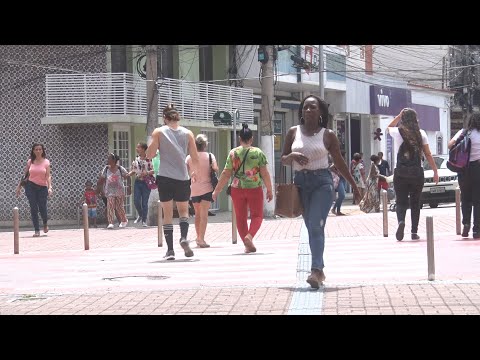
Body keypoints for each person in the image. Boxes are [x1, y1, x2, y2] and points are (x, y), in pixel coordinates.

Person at [280, 94, 360, 289]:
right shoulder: (293, 132)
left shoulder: (328, 135)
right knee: (312, 227)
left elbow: (339, 162)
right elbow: (283, 159)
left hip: (322, 184)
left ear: (321, 112)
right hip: (300, 184)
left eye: (313, 107)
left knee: (315, 224)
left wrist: (355, 187)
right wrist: (291, 155)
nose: (308, 110)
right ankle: (320, 271)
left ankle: (315, 270)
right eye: (305, 107)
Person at [146, 103, 199, 260]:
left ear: (164, 118)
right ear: (177, 116)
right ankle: (183, 238)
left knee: (167, 214)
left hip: (165, 177)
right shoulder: (188, 133)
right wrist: (194, 172)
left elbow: (150, 154)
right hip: (182, 177)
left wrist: (152, 144)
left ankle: (170, 251)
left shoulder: (159, 132)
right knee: (184, 211)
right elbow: (195, 157)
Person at [212, 123, 273, 254]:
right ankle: (249, 237)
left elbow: (226, 173)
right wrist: (269, 189)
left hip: (237, 189)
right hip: (254, 188)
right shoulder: (258, 153)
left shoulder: (233, 153)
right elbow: (265, 173)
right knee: (257, 216)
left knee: (240, 217)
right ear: (251, 139)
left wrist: (217, 190)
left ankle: (247, 245)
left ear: (240, 139)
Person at [387, 108, 438, 241]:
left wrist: (398, 115)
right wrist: (435, 170)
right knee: (415, 202)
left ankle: (401, 222)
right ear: (416, 119)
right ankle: (414, 232)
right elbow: (427, 154)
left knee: (401, 201)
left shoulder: (397, 132)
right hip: (417, 172)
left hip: (400, 172)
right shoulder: (421, 133)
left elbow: (389, 127)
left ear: (403, 119)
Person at [448, 113, 480, 238]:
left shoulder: (464, 132)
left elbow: (450, 145)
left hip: (463, 169)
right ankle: (476, 229)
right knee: (478, 200)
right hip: (477, 168)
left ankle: (465, 223)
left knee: (465, 198)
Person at [186, 134, 218, 248]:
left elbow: (186, 172)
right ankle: (201, 239)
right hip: (207, 188)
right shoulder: (210, 156)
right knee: (204, 214)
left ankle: (198, 237)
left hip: (194, 189)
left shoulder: (189, 158)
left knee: (197, 214)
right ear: (205, 145)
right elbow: (215, 168)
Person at [15, 143, 53, 237]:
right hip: (30, 186)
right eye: (36, 149)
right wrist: (19, 187)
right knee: (33, 208)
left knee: (42, 208)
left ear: (43, 150)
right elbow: (25, 176)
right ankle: (36, 230)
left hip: (42, 188)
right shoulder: (30, 162)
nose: (38, 151)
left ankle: (45, 223)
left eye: (40, 149)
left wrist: (50, 187)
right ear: (33, 151)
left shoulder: (46, 162)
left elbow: (48, 176)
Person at [98, 153, 131, 229]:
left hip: (119, 191)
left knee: (119, 207)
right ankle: (111, 223)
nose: (107, 160)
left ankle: (124, 220)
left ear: (113, 160)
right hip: (109, 191)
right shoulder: (106, 168)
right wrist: (101, 190)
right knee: (110, 206)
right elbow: (102, 178)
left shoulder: (120, 168)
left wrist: (129, 186)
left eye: (109, 158)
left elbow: (127, 176)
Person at [128, 142, 154, 227]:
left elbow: (153, 170)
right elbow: (134, 170)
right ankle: (140, 214)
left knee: (144, 202)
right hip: (138, 182)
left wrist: (146, 173)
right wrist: (128, 174)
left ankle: (144, 221)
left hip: (146, 182)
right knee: (136, 201)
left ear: (143, 149)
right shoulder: (136, 159)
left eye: (138, 147)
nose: (137, 149)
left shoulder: (149, 159)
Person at [330, 151, 347, 216]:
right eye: (343, 156)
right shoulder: (338, 160)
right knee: (342, 195)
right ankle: (336, 209)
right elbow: (331, 167)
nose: (344, 157)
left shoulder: (341, 161)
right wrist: (338, 173)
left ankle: (336, 209)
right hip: (339, 180)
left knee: (341, 195)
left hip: (342, 179)